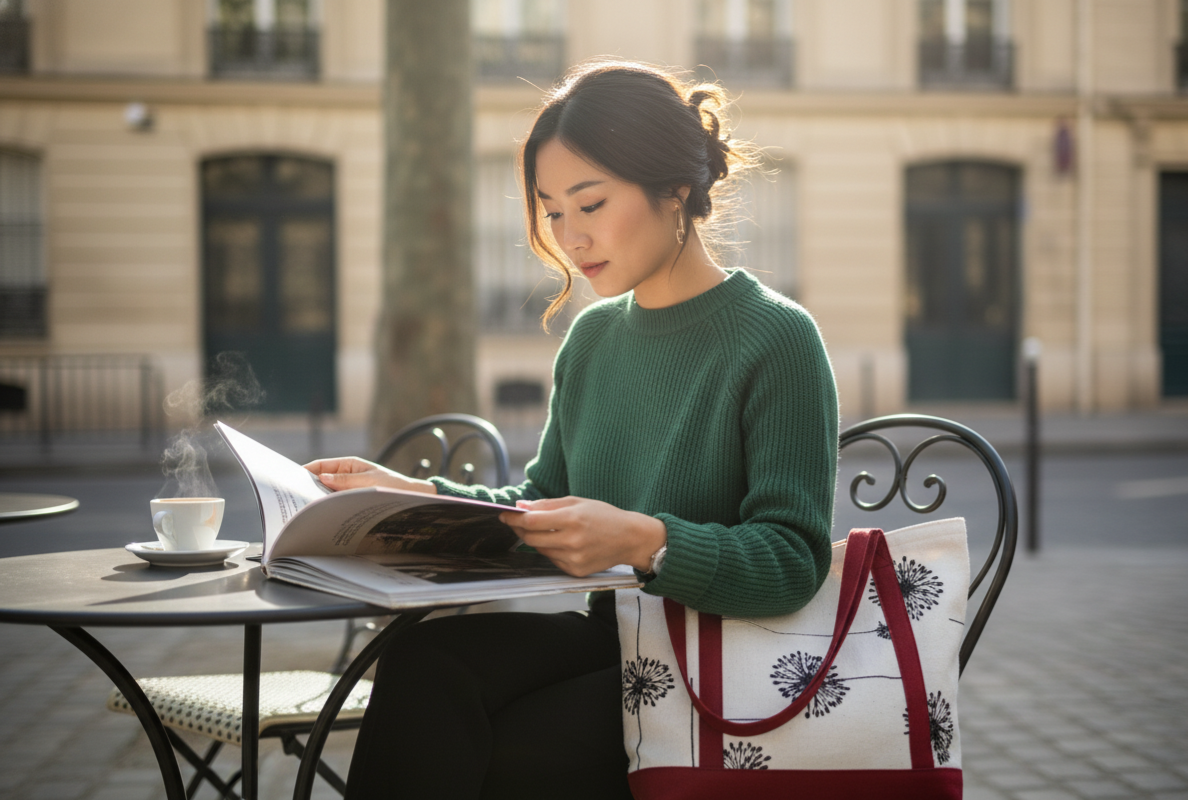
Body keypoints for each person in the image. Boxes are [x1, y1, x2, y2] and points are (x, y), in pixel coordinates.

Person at [305, 59, 839, 800]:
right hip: (612, 639)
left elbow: (793, 561)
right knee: (425, 663)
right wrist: (413, 496)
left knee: (501, 749)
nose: (571, 238)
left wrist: (645, 542)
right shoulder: (592, 340)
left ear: (673, 190)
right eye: (553, 213)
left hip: (727, 664)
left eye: (590, 204)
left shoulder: (776, 338)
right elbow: (541, 505)